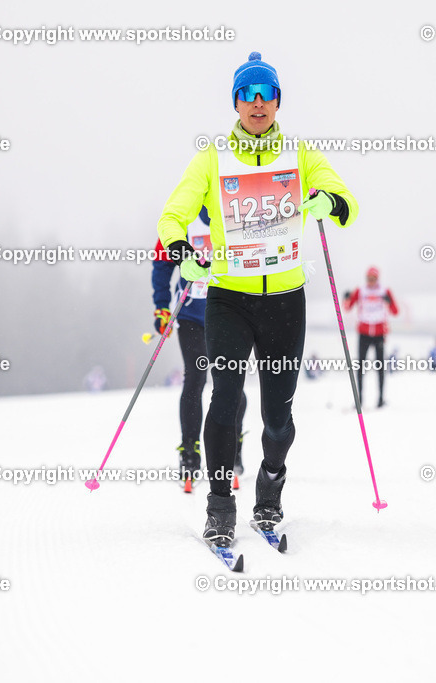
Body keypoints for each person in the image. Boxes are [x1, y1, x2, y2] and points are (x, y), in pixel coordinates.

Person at [157, 52, 359, 547]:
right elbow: (172, 216)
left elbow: (346, 203)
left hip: (286, 300)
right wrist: (183, 250)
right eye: (246, 95)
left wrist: (326, 201)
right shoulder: (212, 158)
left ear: (277, 101)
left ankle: (269, 494)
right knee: (224, 398)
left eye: (266, 94)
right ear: (235, 102)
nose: (257, 104)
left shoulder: (301, 153)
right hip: (229, 300)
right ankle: (220, 505)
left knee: (277, 415)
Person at [151, 207, 247, 486]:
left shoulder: (233, 209)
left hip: (229, 313)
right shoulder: (183, 218)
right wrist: (161, 307)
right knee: (195, 379)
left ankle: (233, 447)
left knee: (230, 383)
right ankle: (190, 453)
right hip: (192, 314)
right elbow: (161, 261)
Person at [344, 267, 399, 407]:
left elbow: (395, 311)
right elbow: (348, 307)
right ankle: (359, 400)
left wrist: (389, 302)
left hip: (379, 334)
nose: (371, 281)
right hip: (364, 333)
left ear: (377, 278)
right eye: (368, 278)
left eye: (373, 278)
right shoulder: (360, 291)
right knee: (360, 367)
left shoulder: (385, 291)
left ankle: (380, 399)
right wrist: (346, 298)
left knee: (380, 367)